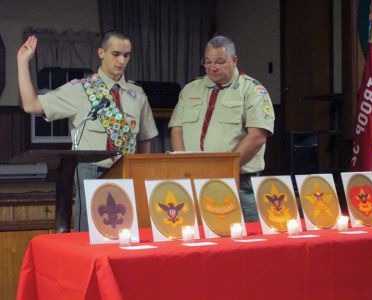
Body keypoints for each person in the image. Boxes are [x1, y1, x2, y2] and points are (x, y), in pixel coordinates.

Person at [17, 30, 158, 231]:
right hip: (92, 172)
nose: (121, 61)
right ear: (101, 53)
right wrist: (23, 62)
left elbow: (145, 139)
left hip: (127, 173)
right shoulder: (81, 90)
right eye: (116, 54)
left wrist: (143, 174)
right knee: (89, 235)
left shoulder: (137, 93)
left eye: (126, 55)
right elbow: (31, 105)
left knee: (127, 236)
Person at [169, 35, 275, 222]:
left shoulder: (252, 90)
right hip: (195, 180)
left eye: (219, 62)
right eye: (208, 62)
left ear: (234, 60)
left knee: (248, 242)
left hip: (239, 182)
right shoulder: (191, 89)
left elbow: (257, 136)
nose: (212, 67)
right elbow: (177, 129)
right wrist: (182, 165)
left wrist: (224, 169)